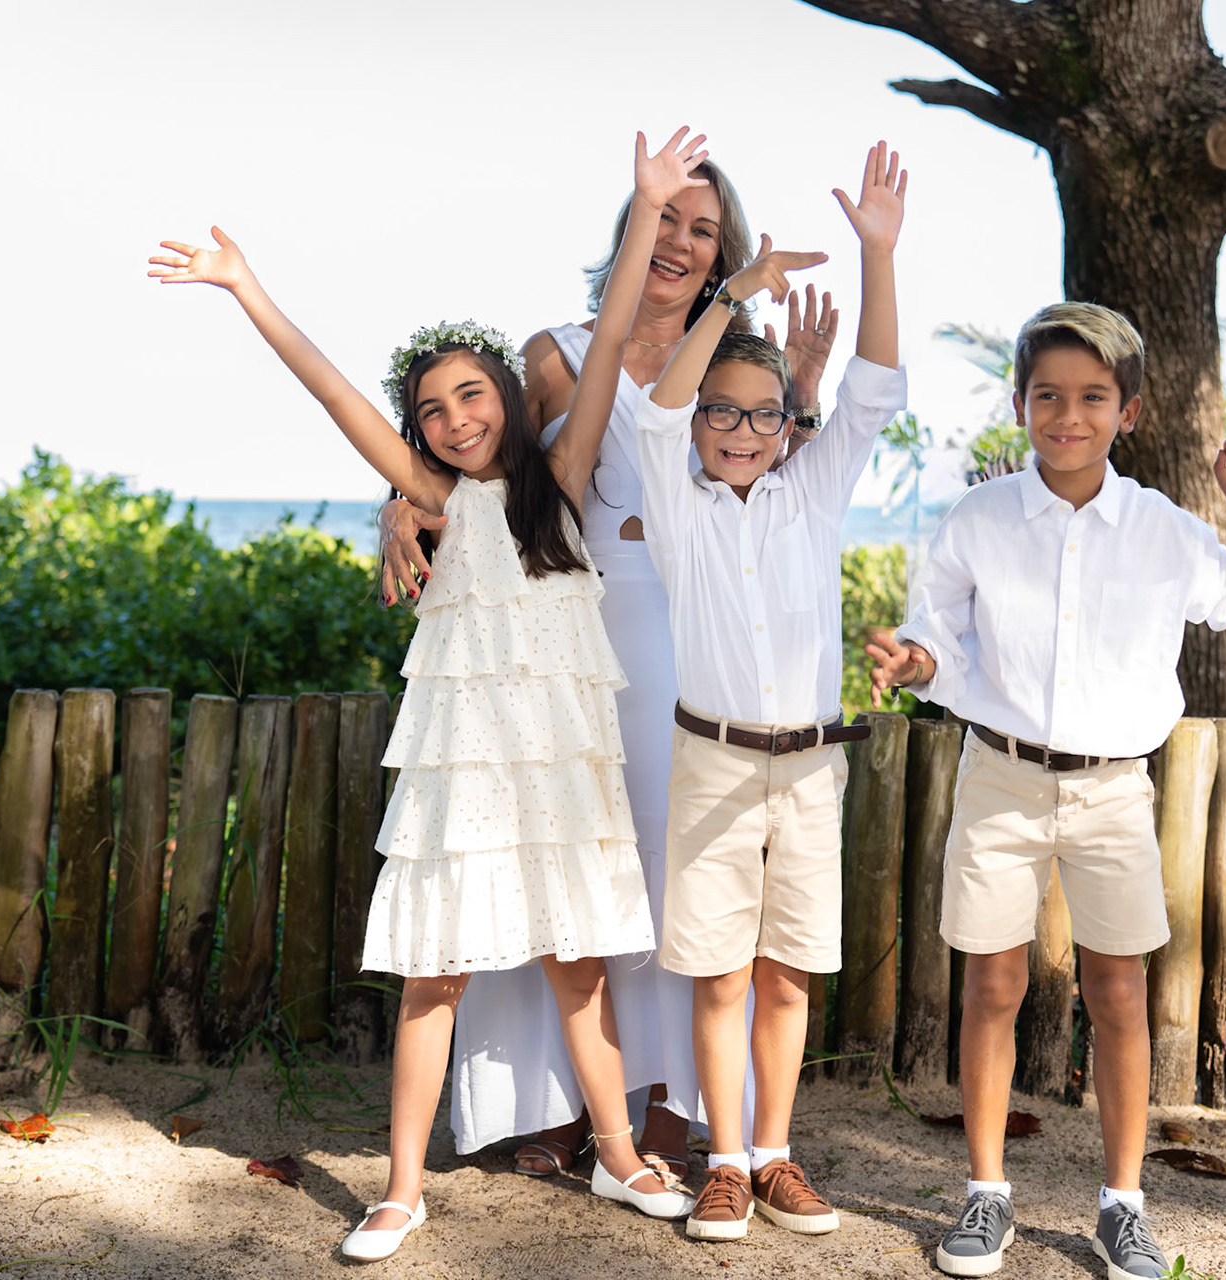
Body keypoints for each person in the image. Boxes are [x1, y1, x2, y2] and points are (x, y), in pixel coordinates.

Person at [146, 126, 711, 1261]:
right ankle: (401, 1187)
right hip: (467, 766)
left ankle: (618, 1148)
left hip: (561, 760)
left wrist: (649, 208)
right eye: (435, 408)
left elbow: (604, 345)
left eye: (472, 394)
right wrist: (245, 284)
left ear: (504, 392)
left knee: (581, 961)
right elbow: (330, 391)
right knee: (432, 972)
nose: (457, 418)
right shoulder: (427, 494)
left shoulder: (556, 480)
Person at [380, 150, 841, 1183]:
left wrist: (802, 393)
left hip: (700, 630)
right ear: (635, 227)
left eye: (704, 228)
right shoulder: (556, 352)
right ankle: (551, 1100)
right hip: (580, 633)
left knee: (681, 866)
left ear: (725, 251)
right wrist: (395, 508)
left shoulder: (740, 352)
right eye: (666, 220)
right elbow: (483, 471)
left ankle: (670, 1101)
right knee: (565, 851)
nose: (682, 242)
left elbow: (781, 487)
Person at [863, 302, 1226, 1280]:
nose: (1068, 413)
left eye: (1093, 396)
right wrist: (912, 660)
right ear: (1020, 402)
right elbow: (938, 635)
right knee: (992, 985)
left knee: (1119, 992)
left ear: (1127, 410)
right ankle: (985, 1192)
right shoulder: (980, 518)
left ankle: (1122, 1203)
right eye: (1048, 394)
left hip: (1111, 793)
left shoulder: (1162, 530)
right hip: (999, 779)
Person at [635, 141, 908, 1242]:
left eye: (765, 415)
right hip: (710, 759)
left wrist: (877, 255)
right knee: (715, 971)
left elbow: (878, 388)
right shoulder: (679, 497)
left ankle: (779, 1149)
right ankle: (726, 1158)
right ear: (701, 421)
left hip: (807, 762)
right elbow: (651, 408)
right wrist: (736, 293)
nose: (744, 431)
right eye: (724, 412)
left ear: (791, 427)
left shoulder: (814, 495)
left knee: (787, 968)